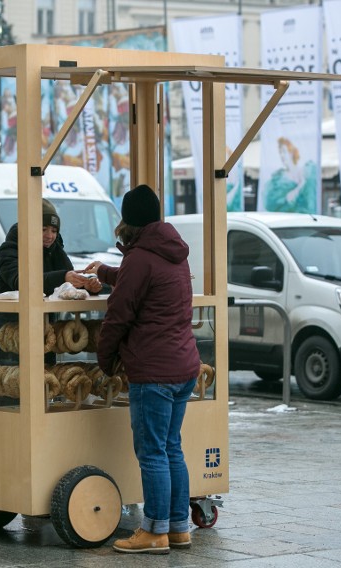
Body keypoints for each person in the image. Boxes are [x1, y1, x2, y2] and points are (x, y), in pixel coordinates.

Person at [85, 184, 200, 555]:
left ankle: (153, 531)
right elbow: (141, 280)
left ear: (127, 221)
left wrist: (105, 360)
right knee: (171, 449)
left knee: (152, 453)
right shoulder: (173, 253)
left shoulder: (140, 258)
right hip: (184, 366)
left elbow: (118, 315)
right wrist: (104, 271)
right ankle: (179, 527)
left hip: (153, 371)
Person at [0, 198, 101, 296]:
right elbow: (21, 283)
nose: (49, 236)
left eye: (54, 231)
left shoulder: (55, 250)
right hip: (12, 317)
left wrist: (86, 286)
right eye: (43, 229)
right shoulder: (9, 251)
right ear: (28, 229)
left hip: (45, 317)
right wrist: (63, 277)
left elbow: (67, 284)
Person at [263, 137, 318, 213]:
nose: (282, 156)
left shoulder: (307, 170)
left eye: (284, 152)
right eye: (280, 152)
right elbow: (287, 200)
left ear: (292, 152)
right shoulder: (278, 178)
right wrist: (301, 185)